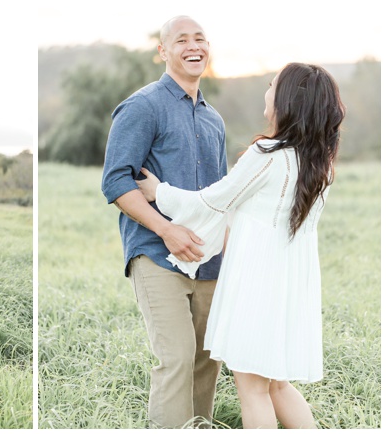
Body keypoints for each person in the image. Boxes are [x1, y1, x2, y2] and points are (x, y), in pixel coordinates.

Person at [137, 62, 345, 428]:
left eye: (271, 85)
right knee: (277, 384)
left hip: (257, 283)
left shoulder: (267, 155)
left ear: (286, 101)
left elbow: (213, 201)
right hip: (290, 285)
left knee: (252, 387)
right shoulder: (320, 163)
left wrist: (159, 193)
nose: (267, 92)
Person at [101, 15, 228, 428]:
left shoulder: (215, 120)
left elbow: (221, 195)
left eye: (201, 39)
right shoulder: (143, 106)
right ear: (163, 51)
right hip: (157, 255)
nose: (194, 47)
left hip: (209, 260)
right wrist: (166, 229)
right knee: (176, 358)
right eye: (181, 41)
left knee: (207, 359)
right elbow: (116, 180)